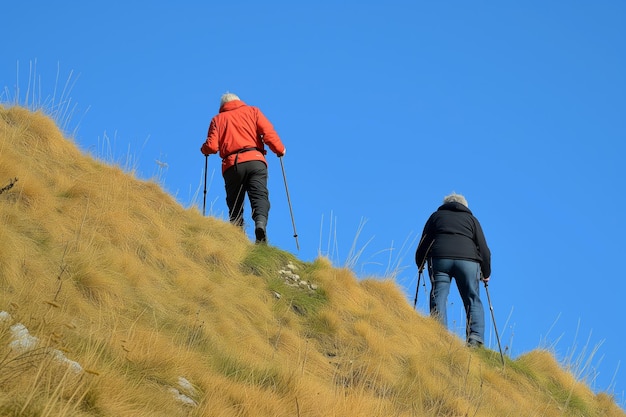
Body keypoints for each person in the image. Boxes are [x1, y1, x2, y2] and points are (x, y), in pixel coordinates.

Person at [201, 93, 286, 244]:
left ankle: (237, 237)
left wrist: (204, 150)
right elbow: (268, 133)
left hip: (232, 166)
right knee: (259, 196)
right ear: (239, 101)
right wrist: (279, 150)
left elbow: (212, 146)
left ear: (222, 106)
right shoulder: (253, 111)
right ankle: (260, 225)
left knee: (234, 203)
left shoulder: (217, 119)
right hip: (255, 161)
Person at [415, 193, 492, 347]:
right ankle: (475, 339)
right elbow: (483, 248)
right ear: (465, 206)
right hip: (468, 262)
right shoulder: (472, 220)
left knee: (439, 295)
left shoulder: (436, 217)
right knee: (472, 297)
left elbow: (424, 242)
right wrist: (486, 272)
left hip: (440, 259)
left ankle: (439, 335)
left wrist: (420, 263)